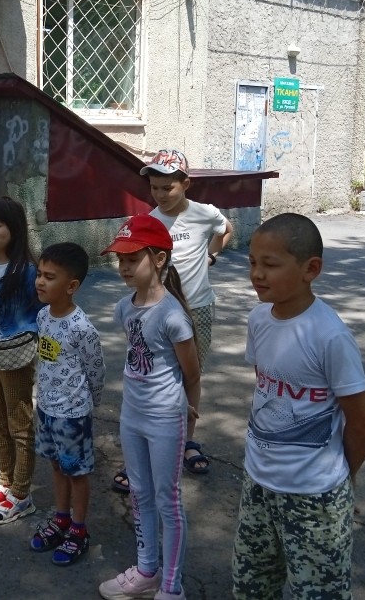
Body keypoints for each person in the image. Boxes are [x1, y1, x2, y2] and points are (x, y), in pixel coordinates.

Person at [232, 213, 365, 599]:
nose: (257, 274)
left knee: (317, 593)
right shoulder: (259, 319)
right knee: (251, 585)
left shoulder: (329, 336)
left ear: (310, 269)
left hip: (315, 496)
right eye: (252, 262)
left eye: (270, 264)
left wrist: (342, 478)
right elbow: (267, 386)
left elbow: (364, 424)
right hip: (258, 482)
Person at [113, 148, 233, 492]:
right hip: (159, 312)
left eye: (168, 187)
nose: (161, 194)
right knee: (154, 376)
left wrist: (211, 254)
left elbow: (226, 228)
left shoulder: (204, 213)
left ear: (186, 184)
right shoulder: (150, 222)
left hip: (198, 308)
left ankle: (186, 440)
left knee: (191, 375)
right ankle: (143, 449)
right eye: (154, 188)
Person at [97, 214, 200, 600]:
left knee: (167, 500)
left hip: (165, 419)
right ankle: (146, 571)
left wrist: (189, 421)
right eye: (120, 260)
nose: (123, 267)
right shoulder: (124, 308)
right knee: (139, 493)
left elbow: (192, 374)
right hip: (132, 415)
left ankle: (171, 587)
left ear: (158, 260)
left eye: (132, 259)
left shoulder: (173, 316)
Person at [29, 242, 105, 566]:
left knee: (77, 472)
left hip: (72, 415)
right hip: (46, 409)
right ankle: (61, 518)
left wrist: (89, 403)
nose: (40, 281)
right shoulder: (42, 316)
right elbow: (47, 359)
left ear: (71, 286)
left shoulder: (81, 328)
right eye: (39, 274)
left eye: (50, 277)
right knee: (56, 466)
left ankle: (78, 528)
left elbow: (96, 370)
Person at [0, 197, 44, 524]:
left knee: (20, 425)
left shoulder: (28, 271)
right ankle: (5, 482)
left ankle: (21, 493)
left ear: (14, 229)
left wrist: (38, 347)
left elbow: (42, 313)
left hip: (16, 356)